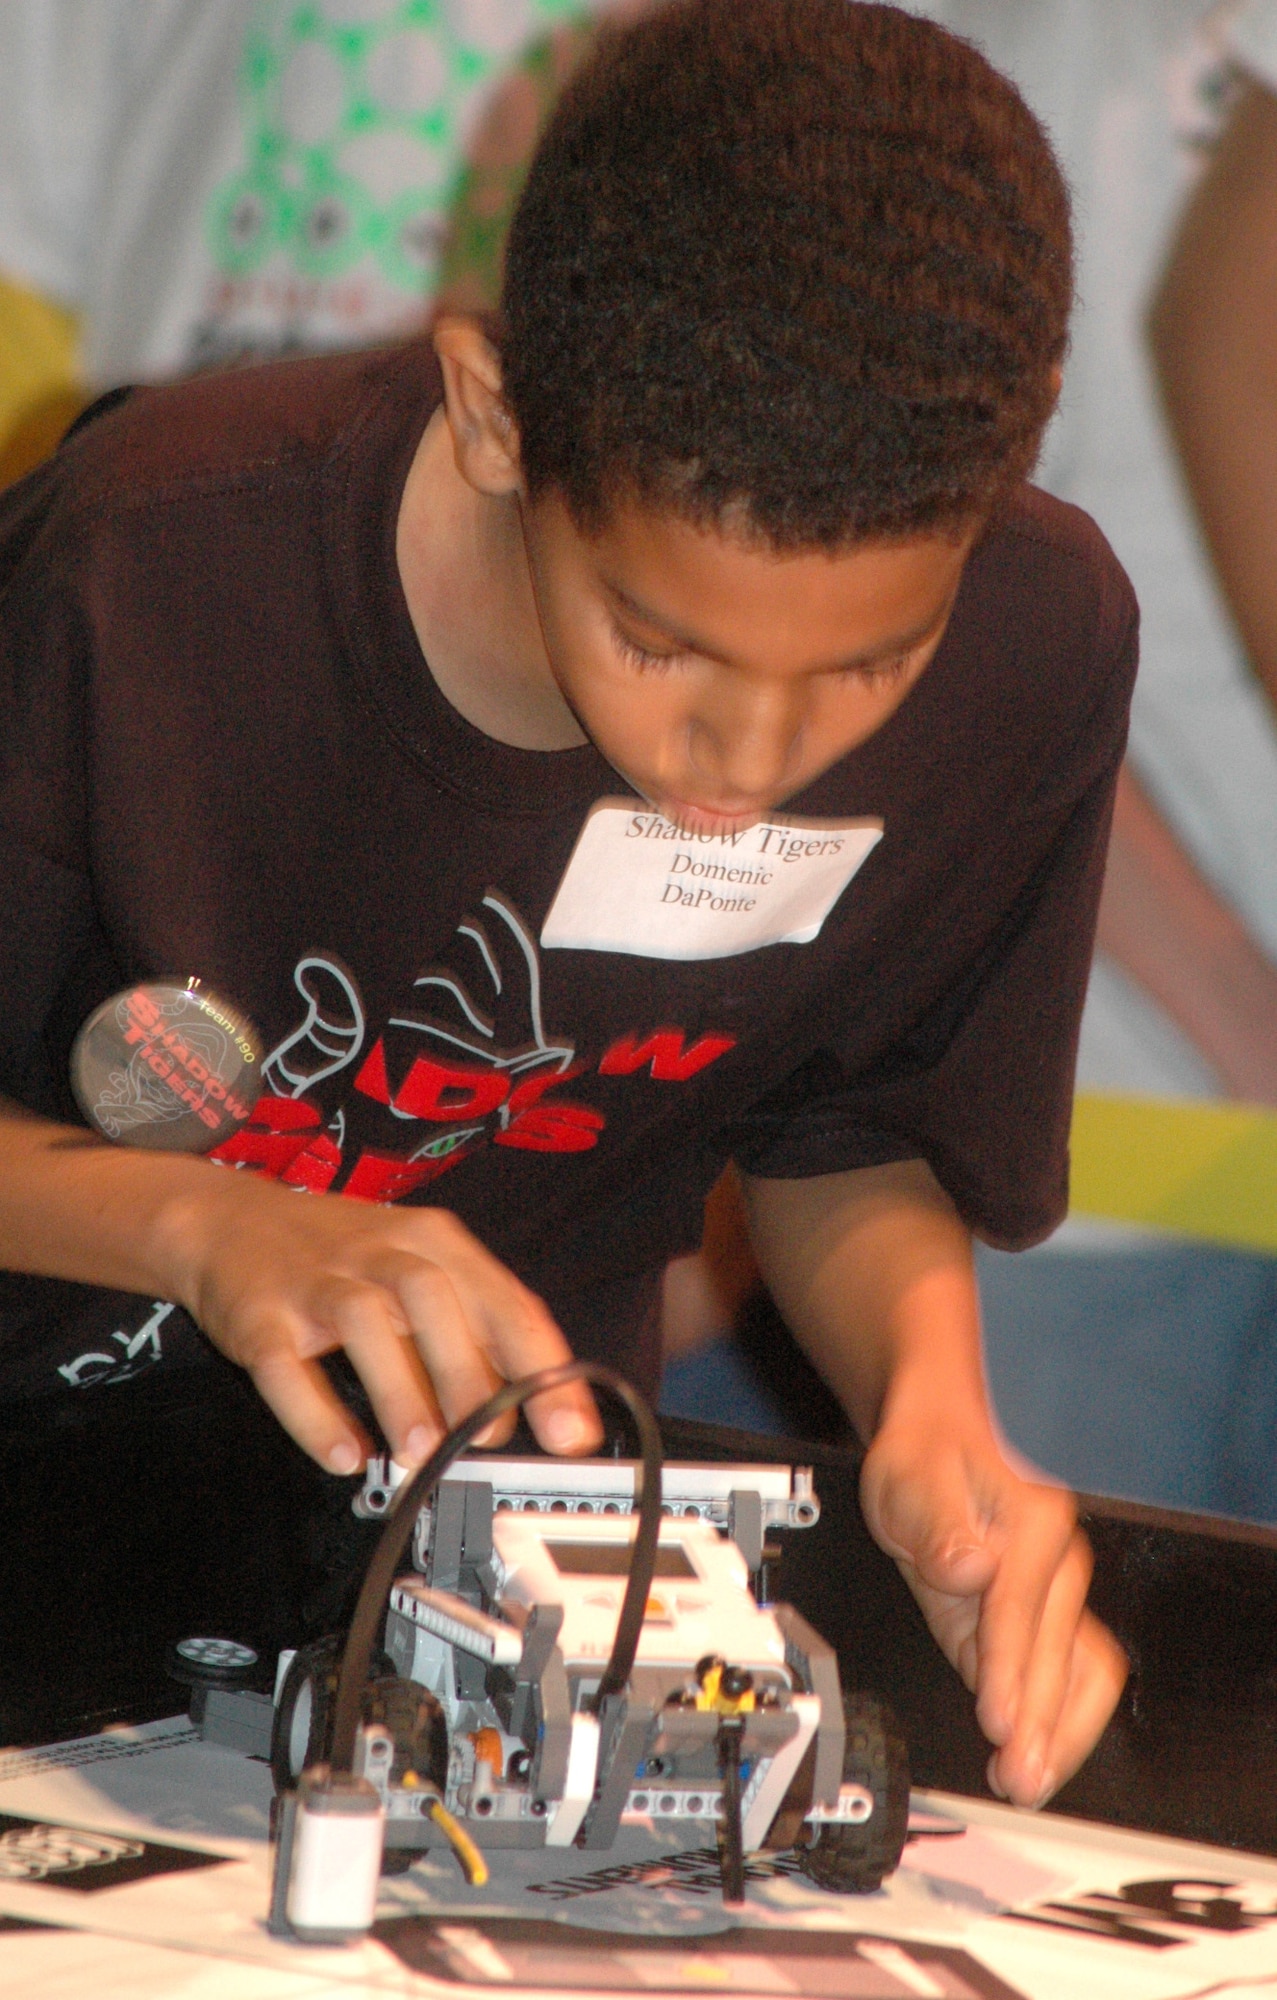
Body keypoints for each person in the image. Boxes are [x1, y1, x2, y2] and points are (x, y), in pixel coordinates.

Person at [0, 0, 1127, 1805]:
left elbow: (841, 1121)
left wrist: (929, 1408)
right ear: (495, 414)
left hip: (485, 1620)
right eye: (660, 640)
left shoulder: (1032, 654)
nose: (752, 757)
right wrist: (208, 1228)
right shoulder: (159, 572)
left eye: (868, 663)